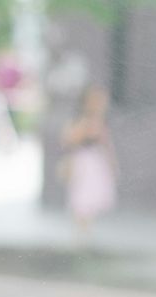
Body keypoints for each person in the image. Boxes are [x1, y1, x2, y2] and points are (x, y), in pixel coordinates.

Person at [60, 84, 117, 241]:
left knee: (93, 197)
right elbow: (69, 140)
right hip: (83, 162)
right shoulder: (81, 121)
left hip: (96, 162)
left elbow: (107, 144)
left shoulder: (99, 120)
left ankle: (86, 232)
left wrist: (112, 163)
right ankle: (81, 232)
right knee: (82, 198)